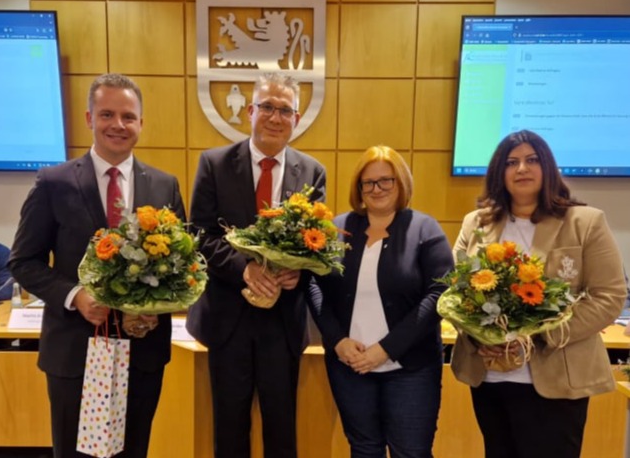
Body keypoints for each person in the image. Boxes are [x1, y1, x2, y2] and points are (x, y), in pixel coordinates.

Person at [8, 73, 185, 458]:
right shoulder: (54, 182)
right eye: (107, 114)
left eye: (128, 116)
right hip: (75, 350)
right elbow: (23, 260)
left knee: (133, 450)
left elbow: (181, 268)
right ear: (90, 118)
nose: (118, 124)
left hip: (142, 352)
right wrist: (75, 296)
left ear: (141, 123)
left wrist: (156, 307)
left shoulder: (164, 185)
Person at [450, 130, 627, 458]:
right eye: (511, 162)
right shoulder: (476, 224)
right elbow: (456, 293)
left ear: (547, 167)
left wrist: (537, 336)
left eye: (531, 160)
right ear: (499, 172)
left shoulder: (584, 222)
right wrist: (480, 336)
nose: (522, 168)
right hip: (491, 377)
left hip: (557, 380)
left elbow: (609, 296)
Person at [186, 72, 326, 458]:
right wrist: (243, 269)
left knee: (282, 429)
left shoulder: (312, 172)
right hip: (228, 320)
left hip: (282, 322)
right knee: (229, 429)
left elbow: (317, 243)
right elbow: (198, 235)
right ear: (250, 111)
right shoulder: (214, 163)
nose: (275, 117)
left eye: (285, 110)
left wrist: (299, 270)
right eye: (267, 107)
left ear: (296, 119)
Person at [307, 145, 454, 458]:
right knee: (363, 449)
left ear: (401, 183)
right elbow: (314, 285)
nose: (377, 189)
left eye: (386, 180)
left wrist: (386, 349)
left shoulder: (425, 229)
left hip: (411, 369)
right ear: (359, 188)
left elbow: (439, 293)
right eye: (368, 182)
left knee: (411, 452)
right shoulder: (336, 230)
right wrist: (337, 341)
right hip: (350, 366)